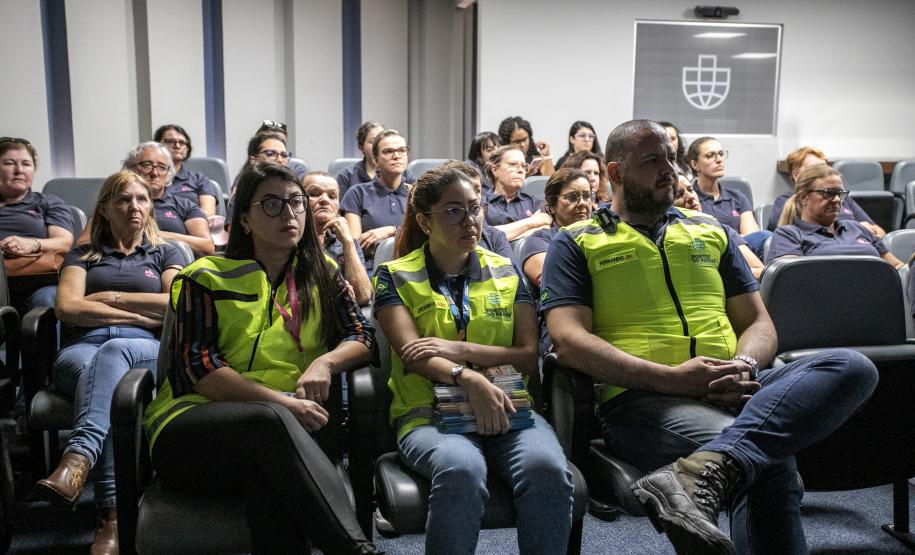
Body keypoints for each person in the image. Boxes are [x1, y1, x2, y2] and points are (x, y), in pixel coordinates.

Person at [541, 119, 878, 555]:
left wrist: (743, 366)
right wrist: (674, 379)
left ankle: (701, 472)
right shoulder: (576, 241)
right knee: (771, 465)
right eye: (652, 161)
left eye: (671, 159)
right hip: (641, 399)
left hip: (732, 384)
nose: (669, 170)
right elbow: (567, 340)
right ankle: (718, 467)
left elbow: (758, 324)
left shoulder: (709, 230)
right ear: (616, 172)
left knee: (852, 366)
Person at [142, 162, 381, 554]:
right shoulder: (203, 277)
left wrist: (325, 363)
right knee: (269, 423)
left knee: (271, 483)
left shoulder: (323, 273)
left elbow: (363, 337)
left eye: (295, 203)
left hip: (286, 436)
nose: (289, 214)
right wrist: (285, 404)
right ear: (246, 219)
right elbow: (200, 369)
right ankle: (356, 550)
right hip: (194, 430)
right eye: (271, 204)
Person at [373, 166, 573, 555]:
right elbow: (413, 356)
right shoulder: (394, 275)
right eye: (453, 211)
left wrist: (458, 350)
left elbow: (528, 356)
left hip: (508, 409)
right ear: (423, 222)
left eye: (475, 208)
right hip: (428, 414)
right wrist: (469, 378)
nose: (470, 220)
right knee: (461, 469)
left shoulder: (505, 269)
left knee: (548, 470)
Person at [36, 171, 184, 555]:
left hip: (143, 353)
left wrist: (111, 298)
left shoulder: (165, 251)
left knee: (113, 355)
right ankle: (112, 517)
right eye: (123, 200)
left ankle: (79, 459)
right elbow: (67, 307)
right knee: (101, 372)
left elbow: (174, 305)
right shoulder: (82, 254)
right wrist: (140, 314)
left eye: (142, 199)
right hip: (80, 353)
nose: (134, 207)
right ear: (104, 207)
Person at [80, 143, 215, 257]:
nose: (155, 173)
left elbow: (207, 247)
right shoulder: (115, 204)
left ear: (169, 173)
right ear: (130, 167)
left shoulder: (184, 205)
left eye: (161, 167)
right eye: (146, 165)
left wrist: (154, 235)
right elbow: (83, 244)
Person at [519, 168, 593, 357]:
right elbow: (555, 285)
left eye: (587, 196)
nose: (582, 203)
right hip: (561, 324)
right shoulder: (540, 241)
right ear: (551, 205)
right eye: (573, 197)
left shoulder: (603, 236)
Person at [769, 164, 903, 267]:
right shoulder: (788, 235)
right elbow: (790, 280)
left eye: (840, 193)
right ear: (804, 197)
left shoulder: (857, 228)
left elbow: (897, 266)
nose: (837, 200)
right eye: (828, 193)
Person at [0, 136, 74, 312]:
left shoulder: (48, 203)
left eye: (26, 164)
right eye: (10, 163)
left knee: (49, 297)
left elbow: (64, 242)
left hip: (35, 282)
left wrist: (32, 244)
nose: (19, 170)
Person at [766, 146, 884, 237]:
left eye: (825, 167)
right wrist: (858, 229)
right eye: (815, 168)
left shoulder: (844, 198)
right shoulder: (786, 201)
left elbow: (879, 232)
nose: (823, 172)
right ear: (796, 175)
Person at [340, 129, 413, 273]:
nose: (396, 156)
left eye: (402, 150)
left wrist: (392, 231)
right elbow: (356, 245)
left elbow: (424, 237)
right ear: (376, 158)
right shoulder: (357, 193)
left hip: (411, 266)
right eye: (388, 151)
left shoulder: (416, 193)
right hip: (370, 268)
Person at [687, 136, 772, 258]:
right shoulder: (690, 198)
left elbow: (753, 237)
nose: (719, 160)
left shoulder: (737, 197)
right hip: (708, 253)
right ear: (695, 164)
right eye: (710, 155)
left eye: (721, 154)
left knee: (766, 238)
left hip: (743, 252)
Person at [674, 175, 764, 279]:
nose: (690, 197)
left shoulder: (723, 231)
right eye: (679, 195)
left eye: (690, 190)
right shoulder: (666, 239)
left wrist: (719, 272)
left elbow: (759, 271)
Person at [304, 171, 372, 305]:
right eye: (314, 194)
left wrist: (347, 242)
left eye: (332, 196)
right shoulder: (290, 241)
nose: (324, 200)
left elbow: (363, 296)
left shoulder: (348, 243)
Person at [439, 160, 514, 261]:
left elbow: (512, 274)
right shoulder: (438, 237)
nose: (473, 196)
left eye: (477, 190)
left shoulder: (495, 238)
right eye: (467, 189)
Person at [484, 146, 552, 241]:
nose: (521, 170)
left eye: (524, 166)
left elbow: (546, 228)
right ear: (495, 170)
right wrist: (531, 222)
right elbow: (485, 236)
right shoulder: (481, 204)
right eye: (513, 164)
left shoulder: (534, 202)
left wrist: (505, 235)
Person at [153, 124, 219, 216]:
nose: (177, 145)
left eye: (182, 142)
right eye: (170, 141)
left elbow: (208, 214)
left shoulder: (199, 180)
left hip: (192, 227)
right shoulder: (150, 177)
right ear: (157, 145)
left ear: (187, 149)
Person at [465, 131, 501, 195]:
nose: (497, 153)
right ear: (478, 154)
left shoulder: (504, 167)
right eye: (490, 150)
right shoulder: (469, 168)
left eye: (499, 148)